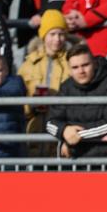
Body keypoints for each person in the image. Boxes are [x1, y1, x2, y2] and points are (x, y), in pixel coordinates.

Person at [45, 43, 107, 159]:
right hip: (73, 159)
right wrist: (64, 131)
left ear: (94, 63)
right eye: (75, 67)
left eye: (85, 65)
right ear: (69, 70)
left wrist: (77, 135)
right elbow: (50, 122)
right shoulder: (66, 87)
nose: (81, 71)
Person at [18, 9, 71, 156]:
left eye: (61, 34)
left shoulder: (71, 62)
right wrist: (31, 105)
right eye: (52, 34)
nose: (57, 39)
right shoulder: (29, 63)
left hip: (61, 129)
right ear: (43, 35)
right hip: (32, 129)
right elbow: (18, 99)